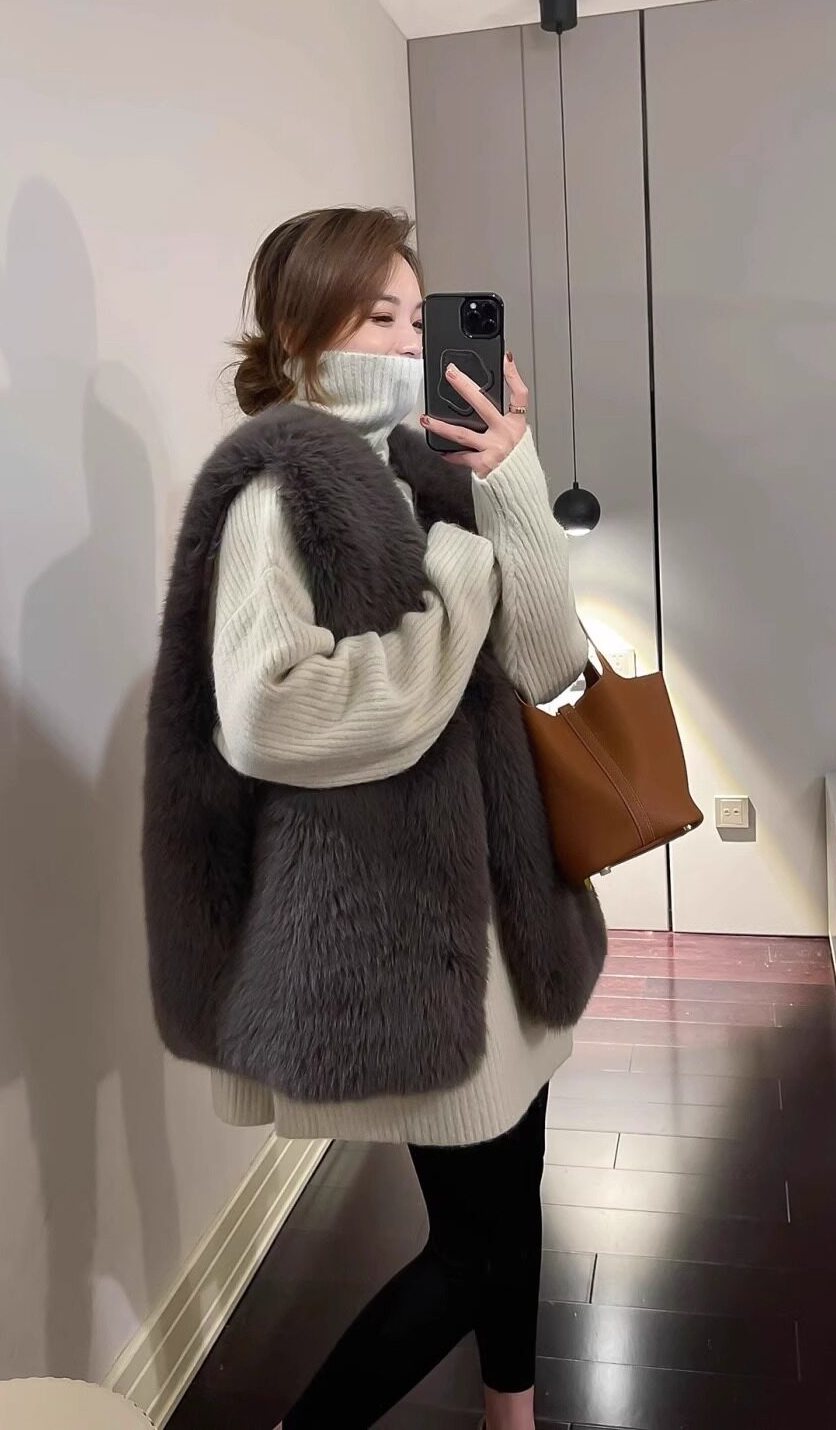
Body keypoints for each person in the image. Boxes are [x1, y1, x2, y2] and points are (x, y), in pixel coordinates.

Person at [143, 207, 607, 1430]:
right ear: (303, 333)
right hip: (407, 933)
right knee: (471, 1243)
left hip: (507, 913)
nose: (410, 338)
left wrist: (509, 476)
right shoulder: (278, 489)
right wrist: (452, 597)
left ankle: (511, 1414)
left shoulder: (434, 466)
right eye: (379, 314)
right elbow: (270, 715)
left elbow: (549, 658)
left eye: (418, 312)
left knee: (510, 1196)